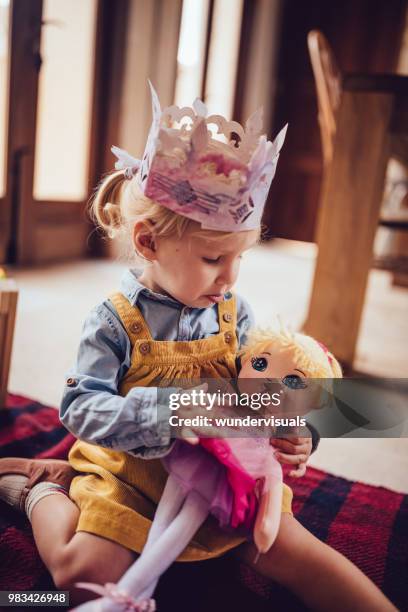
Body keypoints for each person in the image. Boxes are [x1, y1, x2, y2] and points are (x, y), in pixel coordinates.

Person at [0, 85, 395, 611]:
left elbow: (265, 391)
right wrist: (172, 409)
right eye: (213, 259)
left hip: (224, 480)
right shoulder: (112, 322)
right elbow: (78, 405)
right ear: (148, 243)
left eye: (239, 258)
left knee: (301, 554)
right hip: (132, 479)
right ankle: (39, 491)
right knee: (82, 579)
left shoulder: (237, 313)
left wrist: (293, 432)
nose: (229, 278)